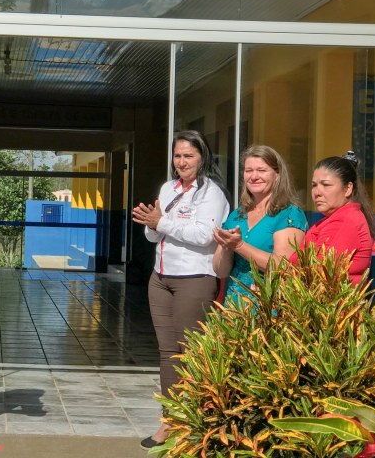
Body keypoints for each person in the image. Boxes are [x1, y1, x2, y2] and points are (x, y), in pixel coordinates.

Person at [131, 130, 230, 450]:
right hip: (160, 278)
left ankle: (193, 422)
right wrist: (151, 224)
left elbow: (204, 236)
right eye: (177, 156)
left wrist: (161, 223)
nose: (182, 161)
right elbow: (154, 237)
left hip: (194, 279)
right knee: (167, 354)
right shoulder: (168, 188)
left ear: (203, 157)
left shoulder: (210, 192)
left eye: (189, 155)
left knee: (190, 355)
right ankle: (170, 419)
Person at [212, 145, 307, 304]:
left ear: (277, 175)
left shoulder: (289, 214)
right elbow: (220, 271)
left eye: (262, 170)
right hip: (234, 306)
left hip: (270, 306)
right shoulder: (237, 215)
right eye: (249, 170)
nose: (254, 176)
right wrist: (227, 249)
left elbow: (282, 267)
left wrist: (239, 245)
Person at [295, 151, 375, 286]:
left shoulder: (344, 221)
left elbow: (319, 275)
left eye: (326, 185)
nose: (317, 192)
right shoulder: (335, 219)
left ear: (347, 189)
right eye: (314, 185)